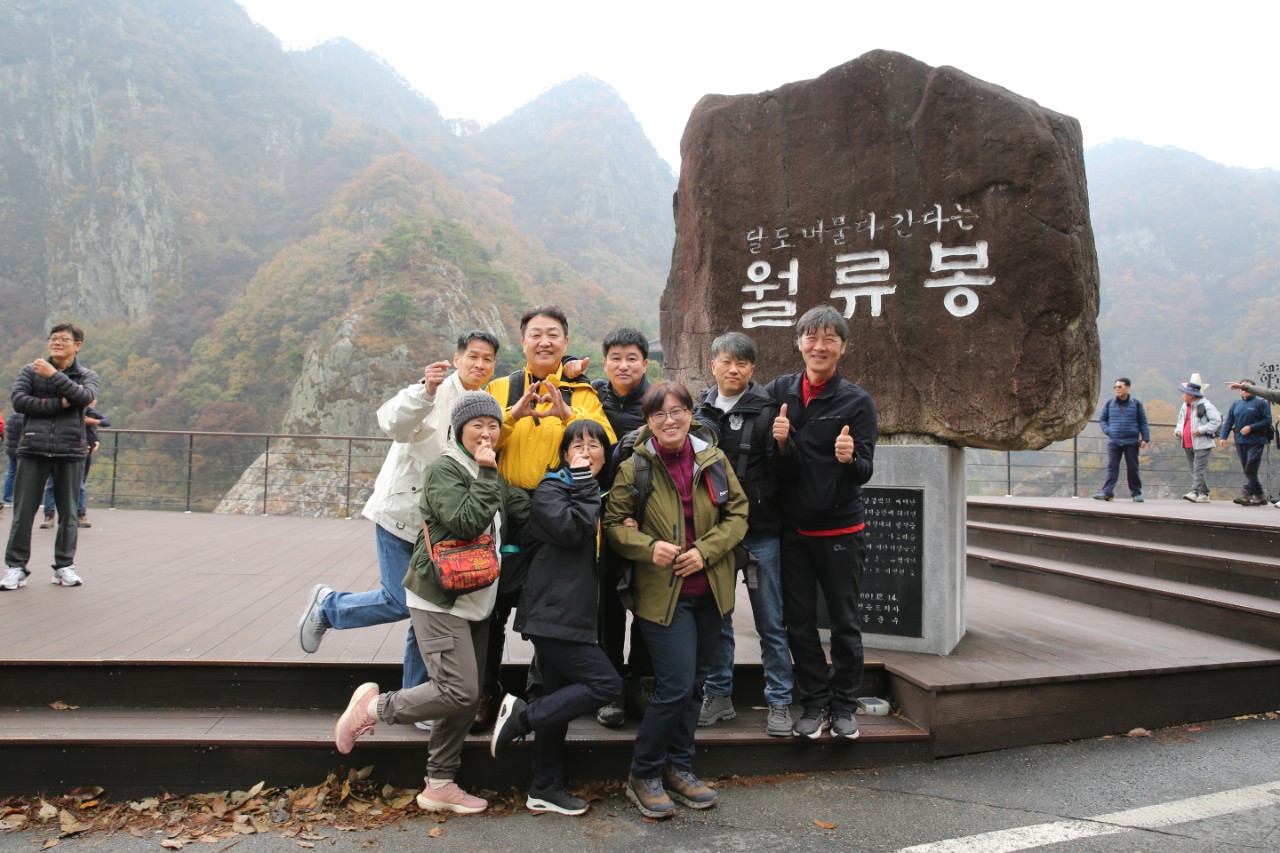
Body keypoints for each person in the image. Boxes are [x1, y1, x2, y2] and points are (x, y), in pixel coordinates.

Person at [332, 392, 529, 815]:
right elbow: (466, 522)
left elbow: (519, 509)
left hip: (476, 597)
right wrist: (488, 473)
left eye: (493, 425)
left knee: (468, 695)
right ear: (459, 429)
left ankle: (439, 783)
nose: (486, 433)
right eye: (477, 425)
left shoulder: (488, 470)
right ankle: (372, 708)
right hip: (439, 597)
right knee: (457, 689)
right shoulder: (446, 468)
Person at [298, 331, 501, 711]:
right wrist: (424, 390)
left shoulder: (481, 405)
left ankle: (416, 696)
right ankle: (329, 607)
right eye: (473, 356)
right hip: (402, 517)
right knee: (401, 600)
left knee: (428, 608)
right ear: (457, 358)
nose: (479, 364)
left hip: (440, 529)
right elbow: (391, 422)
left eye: (487, 359)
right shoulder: (433, 393)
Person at [604, 382, 748, 820]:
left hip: (711, 592)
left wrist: (705, 551)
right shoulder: (635, 467)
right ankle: (644, 772)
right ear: (649, 421)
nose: (670, 420)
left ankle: (679, 767)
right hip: (663, 597)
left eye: (677, 411)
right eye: (659, 414)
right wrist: (649, 547)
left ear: (690, 414)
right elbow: (613, 524)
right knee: (675, 686)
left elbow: (738, 513)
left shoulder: (712, 459)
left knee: (696, 685)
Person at [475, 305, 615, 730]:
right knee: (492, 604)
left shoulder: (583, 394)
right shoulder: (500, 388)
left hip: (560, 512)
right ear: (522, 342)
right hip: (508, 511)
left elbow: (606, 444)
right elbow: (475, 438)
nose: (544, 341)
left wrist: (567, 414)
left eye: (553, 334)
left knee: (554, 608)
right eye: (535, 334)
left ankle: (542, 690)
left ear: (566, 342)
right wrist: (512, 416)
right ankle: (486, 691)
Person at [490, 420, 623, 816]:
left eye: (594, 445)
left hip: (575, 615)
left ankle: (544, 787)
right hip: (553, 613)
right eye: (577, 445)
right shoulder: (552, 489)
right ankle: (521, 718)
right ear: (565, 455)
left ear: (605, 455)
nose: (586, 451)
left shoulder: (597, 493)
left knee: (557, 698)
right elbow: (574, 530)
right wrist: (582, 481)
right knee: (605, 683)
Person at [766, 304, 878, 741]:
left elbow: (865, 470)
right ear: (799, 343)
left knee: (844, 621)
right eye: (811, 337)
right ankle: (814, 702)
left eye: (829, 339)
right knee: (798, 622)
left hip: (840, 530)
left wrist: (850, 460)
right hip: (793, 530)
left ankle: (844, 705)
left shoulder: (856, 401)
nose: (819, 346)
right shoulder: (781, 391)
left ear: (843, 347)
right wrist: (779, 445)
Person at [693, 332, 793, 737]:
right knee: (718, 618)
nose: (733, 369)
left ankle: (780, 700)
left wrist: (784, 445)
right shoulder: (698, 411)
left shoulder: (767, 412)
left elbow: (784, 476)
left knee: (771, 621)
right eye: (726, 361)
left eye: (742, 363)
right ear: (713, 364)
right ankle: (718, 694)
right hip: (715, 533)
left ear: (753, 369)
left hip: (761, 530)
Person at [3, 323, 99, 591]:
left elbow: (84, 397)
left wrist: (54, 375)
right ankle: (16, 567)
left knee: (69, 513)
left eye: (63, 339)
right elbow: (20, 402)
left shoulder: (87, 375)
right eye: (53, 338)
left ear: (77, 345)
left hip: (70, 450)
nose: (56, 342)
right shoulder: (30, 371)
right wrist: (60, 403)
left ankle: (64, 565)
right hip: (33, 448)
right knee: (23, 512)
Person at [591, 327, 653, 727]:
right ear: (605, 362)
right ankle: (610, 685)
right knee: (607, 607)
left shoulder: (657, 402)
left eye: (632, 358)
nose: (624, 365)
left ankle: (642, 681)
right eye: (616, 358)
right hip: (600, 520)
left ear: (645, 363)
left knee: (647, 602)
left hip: (646, 521)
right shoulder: (593, 398)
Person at [41, 404, 109, 528]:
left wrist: (92, 424)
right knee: (52, 484)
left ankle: (80, 514)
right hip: (57, 450)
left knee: (78, 484)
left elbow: (106, 422)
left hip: (76, 451)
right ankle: (50, 515)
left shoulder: (84, 409)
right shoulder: (57, 408)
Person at [1093, 378, 1150, 503]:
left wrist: (1145, 438)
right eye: (1115, 387)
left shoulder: (1136, 404)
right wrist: (1108, 430)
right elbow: (1102, 420)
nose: (1117, 389)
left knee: (1133, 468)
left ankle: (1136, 493)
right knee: (1112, 467)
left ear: (1128, 388)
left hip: (1131, 441)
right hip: (1114, 441)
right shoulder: (1109, 403)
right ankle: (1107, 492)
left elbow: (1143, 422)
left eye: (1120, 387)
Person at [1218, 379, 1273, 506]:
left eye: (1246, 387)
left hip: (1257, 440)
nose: (1244, 390)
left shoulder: (1261, 403)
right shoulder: (1236, 404)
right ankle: (1260, 495)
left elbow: (1267, 421)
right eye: (1242, 388)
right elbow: (1229, 421)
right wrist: (1223, 437)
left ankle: (1245, 494)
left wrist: (1251, 427)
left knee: (1250, 466)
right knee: (1247, 468)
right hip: (1240, 440)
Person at [1173, 374, 1222, 504]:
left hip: (1202, 443)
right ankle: (1204, 493)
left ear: (1192, 396)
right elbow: (1180, 421)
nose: (1183, 396)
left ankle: (1194, 491)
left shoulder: (1206, 406)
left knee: (1198, 469)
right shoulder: (1184, 406)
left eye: (1185, 394)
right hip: (1187, 442)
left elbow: (1216, 421)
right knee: (1194, 470)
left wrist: (1202, 430)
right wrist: (1178, 431)